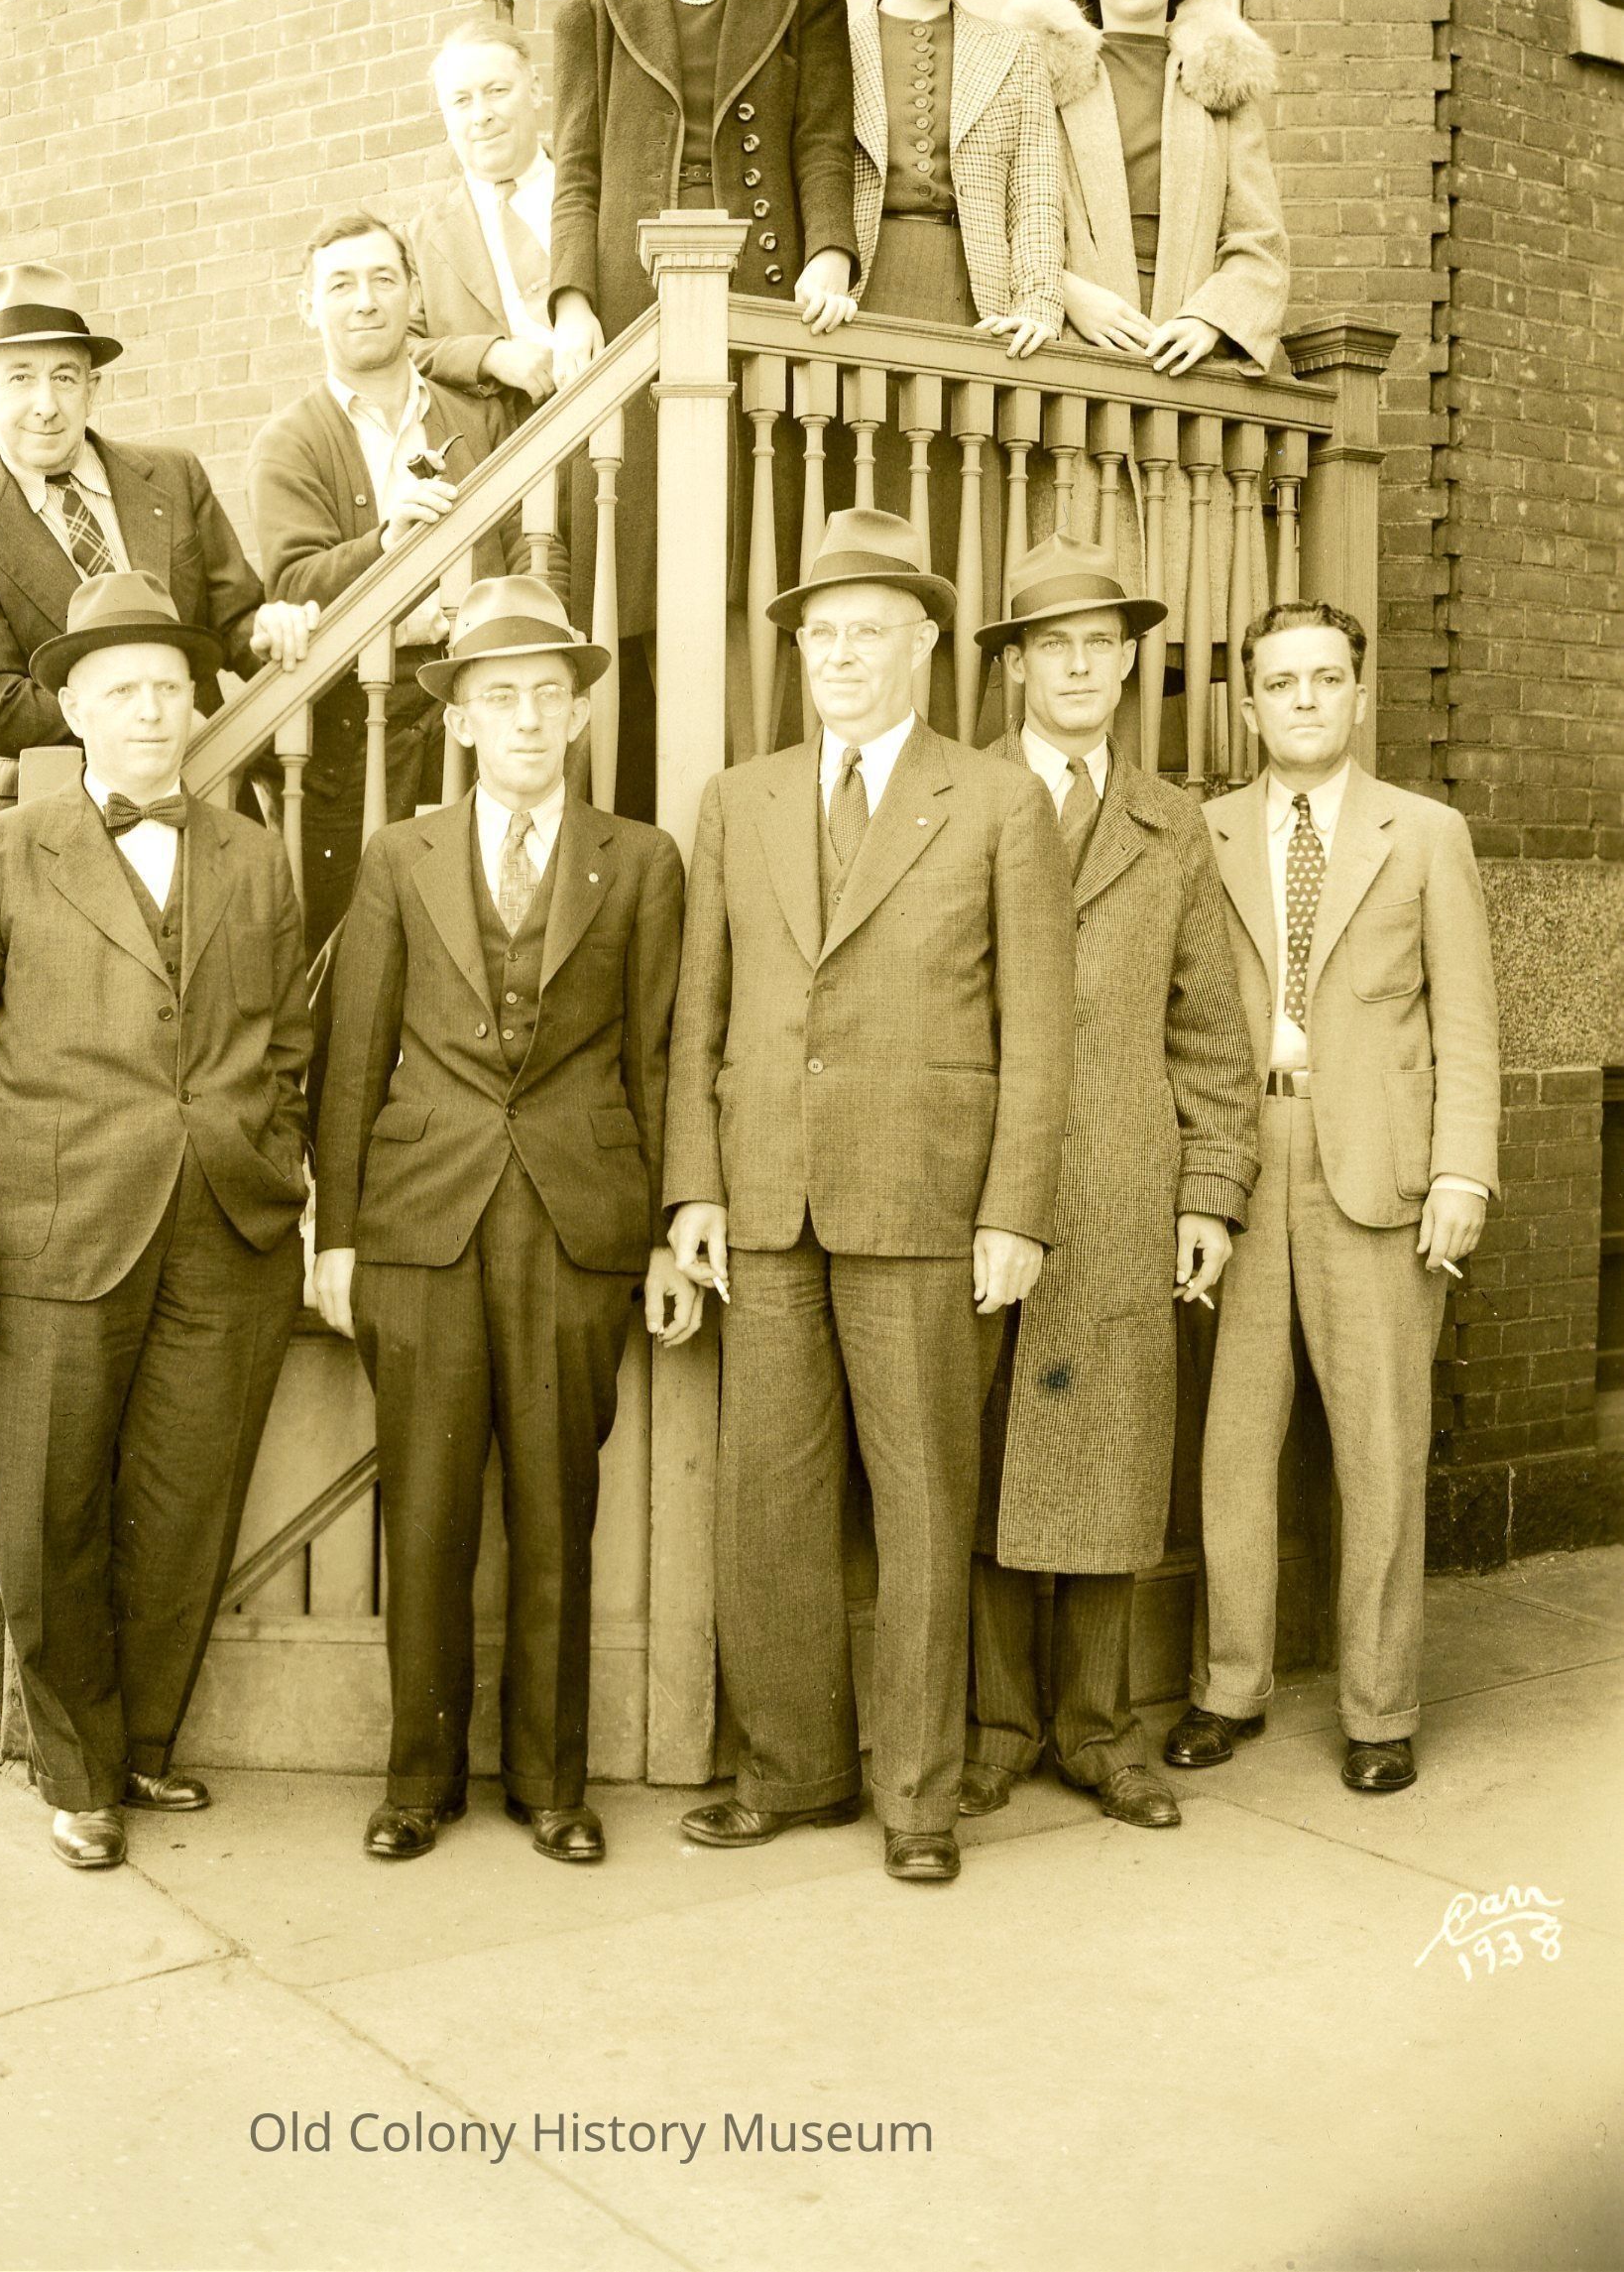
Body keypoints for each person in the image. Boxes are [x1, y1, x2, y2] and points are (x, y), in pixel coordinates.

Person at [664, 508, 1074, 1884]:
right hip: (768, 1199)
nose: (838, 655)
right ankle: (792, 1773)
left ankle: (917, 1796)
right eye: (819, 634)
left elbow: (1040, 1028)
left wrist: (1013, 1209)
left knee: (921, 1507)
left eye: (867, 632)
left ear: (922, 647)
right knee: (767, 1502)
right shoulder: (740, 798)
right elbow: (700, 1013)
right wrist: (694, 1186)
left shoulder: (996, 801)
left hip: (926, 1207)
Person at [0, 569, 312, 1871]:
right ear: (74, 708)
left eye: (169, 688)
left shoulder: (252, 853)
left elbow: (287, 1044)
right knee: (52, 1506)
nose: (149, 711)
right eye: (121, 689)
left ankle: (141, 1737)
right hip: (56, 1229)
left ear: (197, 703)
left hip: (227, 1229)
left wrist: (273, 1163)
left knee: (186, 1501)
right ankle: (77, 1771)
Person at [313, 575, 695, 1866]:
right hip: (421, 1220)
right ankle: (416, 1778)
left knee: (553, 1505)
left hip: (576, 1223)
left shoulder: (639, 860)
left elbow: (656, 1056)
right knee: (423, 1509)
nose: (526, 718)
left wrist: (659, 1232)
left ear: (578, 714)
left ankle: (552, 1782)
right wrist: (336, 1234)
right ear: (463, 721)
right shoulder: (399, 856)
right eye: (498, 698)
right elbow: (351, 1054)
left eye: (546, 695)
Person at [1169, 601, 1499, 1796]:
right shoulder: (1201, 833)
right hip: (1239, 1162)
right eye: (1279, 682)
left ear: (1359, 696)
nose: (1303, 699)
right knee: (1232, 1445)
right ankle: (1228, 1685)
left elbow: (1466, 1016)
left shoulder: (1425, 833)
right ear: (1248, 705)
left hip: (1381, 1172)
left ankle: (1378, 1706)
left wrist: (1461, 1169)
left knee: (1380, 1449)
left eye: (1324, 678)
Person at [963, 535, 1260, 1830]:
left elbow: (1207, 1026)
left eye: (1100, 645)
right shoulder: (961, 799)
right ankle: (991, 1729)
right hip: (983, 1178)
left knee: (1110, 1454)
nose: (1078, 668)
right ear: (1015, 667)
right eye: (1053, 647)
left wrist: (1209, 1190)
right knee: (979, 1456)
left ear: (1129, 662)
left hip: (1126, 1182)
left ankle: (1097, 1732)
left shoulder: (1169, 820)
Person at [548, 0, 859, 809]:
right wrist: (570, 302)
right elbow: (575, 174)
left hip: (758, 314)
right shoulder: (595, 19)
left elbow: (820, 141)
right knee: (637, 568)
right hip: (634, 319)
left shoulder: (805, 1)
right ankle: (640, 810)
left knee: (752, 565)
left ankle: (761, 801)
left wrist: (829, 255)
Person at [0, 262, 316, 804]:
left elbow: (236, 619)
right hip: (58, 811)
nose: (46, 406)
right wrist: (155, 713)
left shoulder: (174, 477)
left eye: (64, 377)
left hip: (205, 788)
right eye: (20, 378)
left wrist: (267, 630)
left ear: (91, 387)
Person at [250, 208, 535, 955]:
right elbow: (294, 582)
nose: (365, 301)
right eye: (340, 285)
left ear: (413, 293)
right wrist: (385, 544)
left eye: (383, 279)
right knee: (356, 956)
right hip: (358, 734)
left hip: (482, 703)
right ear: (308, 307)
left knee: (494, 938)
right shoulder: (289, 442)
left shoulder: (478, 418)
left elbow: (534, 547)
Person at [1004, 0, 1291, 378]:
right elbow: (996, 216)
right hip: (1072, 348)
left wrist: (1209, 320)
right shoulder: (1037, 76)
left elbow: (1259, 241)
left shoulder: (1221, 83)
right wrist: (1064, 292)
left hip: (1191, 360)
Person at [846, 0, 1060, 357]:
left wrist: (1038, 306)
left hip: (979, 306)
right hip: (854, 301)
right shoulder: (831, 46)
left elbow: (1035, 196)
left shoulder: (1016, 52)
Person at [408, 16, 559, 427]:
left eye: (497, 91)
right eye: (461, 101)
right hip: (502, 452)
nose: (481, 115)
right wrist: (489, 355)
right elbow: (397, 348)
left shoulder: (596, 193)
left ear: (535, 90)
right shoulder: (419, 240)